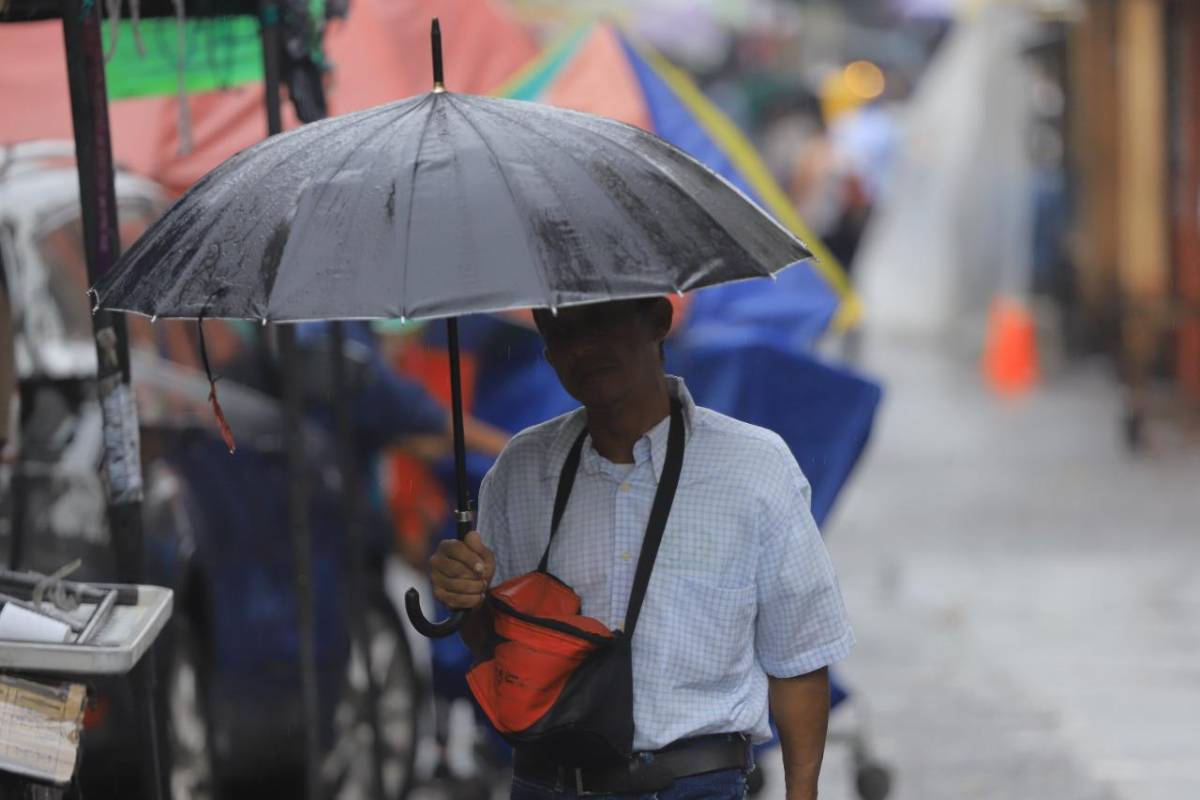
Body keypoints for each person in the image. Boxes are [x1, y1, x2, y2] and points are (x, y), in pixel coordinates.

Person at [429, 298, 853, 800]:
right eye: (561, 330)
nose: (584, 346)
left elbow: (799, 657)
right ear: (544, 345)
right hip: (548, 782)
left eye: (601, 320)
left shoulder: (754, 468)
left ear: (658, 318)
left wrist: (801, 793)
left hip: (697, 783)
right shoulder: (521, 469)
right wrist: (467, 597)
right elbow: (494, 646)